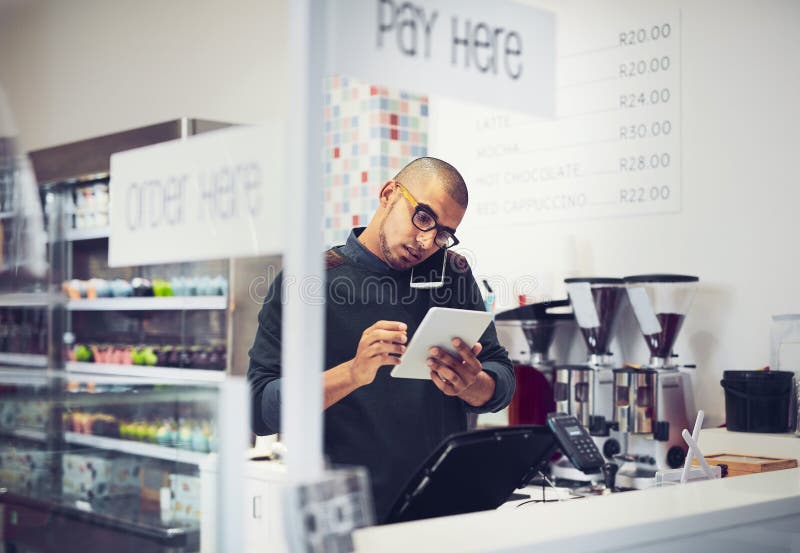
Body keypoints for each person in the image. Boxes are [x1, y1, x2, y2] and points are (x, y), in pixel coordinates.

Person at [248, 157, 514, 523]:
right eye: (423, 217)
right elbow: (259, 409)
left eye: (442, 234)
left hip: (442, 511)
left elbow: (501, 380)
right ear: (389, 194)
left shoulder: (452, 274)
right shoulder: (308, 281)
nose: (426, 242)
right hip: (344, 515)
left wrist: (472, 385)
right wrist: (353, 373)